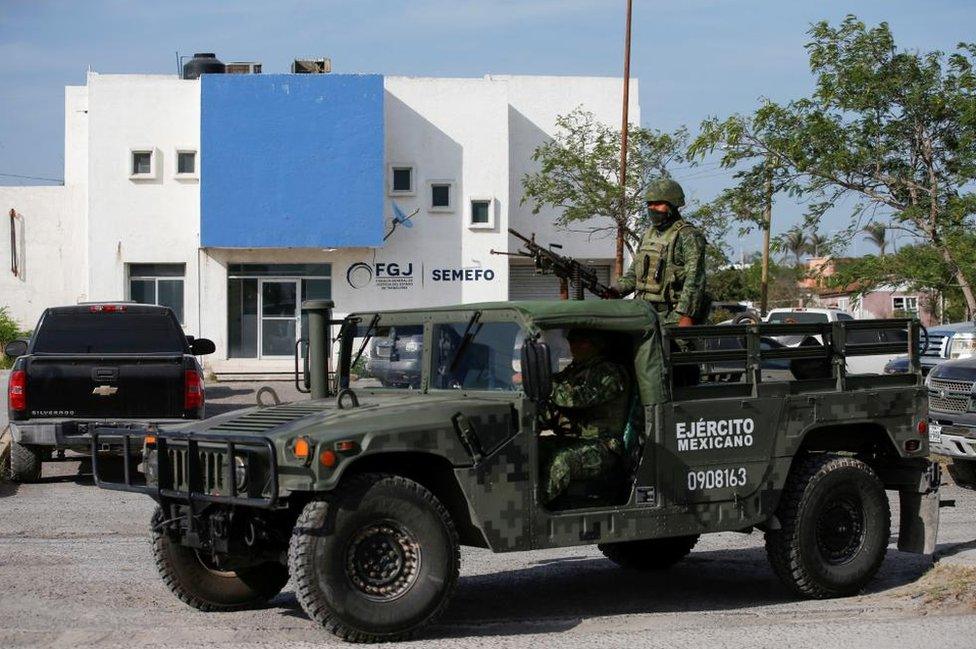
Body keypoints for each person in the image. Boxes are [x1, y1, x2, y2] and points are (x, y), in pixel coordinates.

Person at [539, 329, 630, 506]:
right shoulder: (577, 369)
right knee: (533, 448)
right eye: (572, 341)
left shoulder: (609, 373)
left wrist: (541, 383)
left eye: (581, 342)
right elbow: (556, 386)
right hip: (575, 440)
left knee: (562, 461)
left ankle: (538, 510)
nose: (574, 347)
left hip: (604, 446)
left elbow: (575, 398)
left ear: (597, 345)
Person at [612, 178, 707, 326]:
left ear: (673, 205)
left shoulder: (688, 235)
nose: (652, 208)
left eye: (658, 204)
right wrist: (615, 290)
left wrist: (686, 316)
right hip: (644, 313)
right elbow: (634, 276)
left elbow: (695, 279)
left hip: (673, 317)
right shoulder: (647, 235)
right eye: (649, 204)